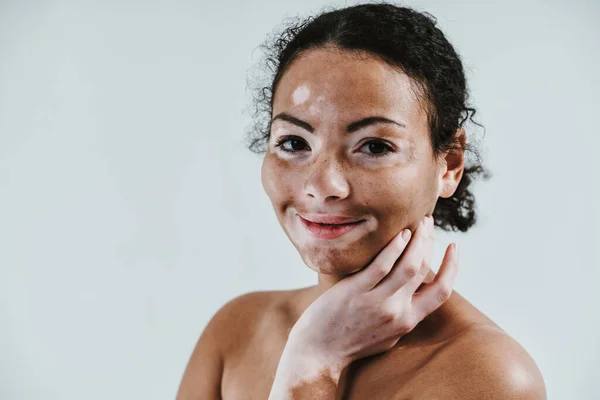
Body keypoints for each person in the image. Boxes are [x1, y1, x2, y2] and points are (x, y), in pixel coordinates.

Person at [176, 3, 546, 399]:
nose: (322, 185)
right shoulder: (236, 331)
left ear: (450, 165)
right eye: (294, 143)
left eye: (373, 146)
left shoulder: (488, 375)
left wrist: (313, 365)